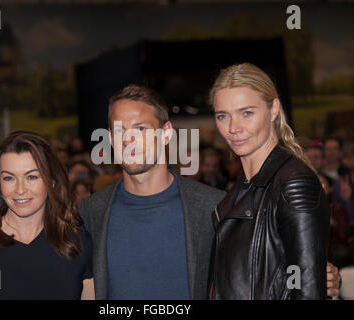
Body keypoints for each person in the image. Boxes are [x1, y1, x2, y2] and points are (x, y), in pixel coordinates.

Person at [79, 84, 340, 300]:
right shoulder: (90, 213)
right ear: (110, 138)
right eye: (119, 130)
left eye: (141, 129)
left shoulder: (214, 207)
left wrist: (315, 274)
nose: (128, 140)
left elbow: (259, 266)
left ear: (166, 133)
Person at [208, 63, 331, 299]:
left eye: (247, 113)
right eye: (222, 116)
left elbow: (306, 291)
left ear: (273, 109)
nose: (233, 128)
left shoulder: (294, 184)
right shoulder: (241, 187)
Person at [0, 131, 94, 300]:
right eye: (9, 178)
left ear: (51, 182)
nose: (20, 189)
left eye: (31, 176)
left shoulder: (78, 244)